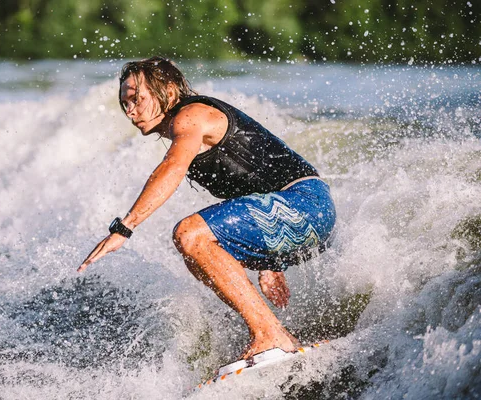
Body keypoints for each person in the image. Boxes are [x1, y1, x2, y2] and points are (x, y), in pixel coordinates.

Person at [78, 56, 336, 359]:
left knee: (190, 234)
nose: (130, 110)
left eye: (137, 98)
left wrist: (125, 227)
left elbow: (171, 168)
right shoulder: (186, 124)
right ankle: (272, 333)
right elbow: (257, 184)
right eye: (125, 104)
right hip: (295, 212)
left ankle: (270, 334)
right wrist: (270, 262)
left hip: (307, 205)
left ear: (169, 90)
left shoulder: (191, 116)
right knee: (195, 252)